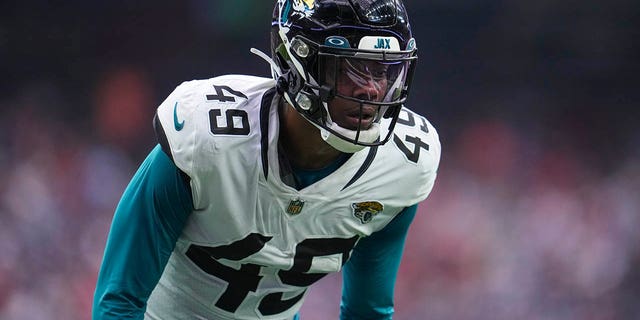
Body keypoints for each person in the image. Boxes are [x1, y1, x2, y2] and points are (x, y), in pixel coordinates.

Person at [92, 0, 440, 319]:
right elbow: (120, 297)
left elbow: (369, 311)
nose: (371, 90)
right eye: (350, 68)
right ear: (296, 60)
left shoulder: (402, 165)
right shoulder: (206, 139)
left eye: (381, 71)